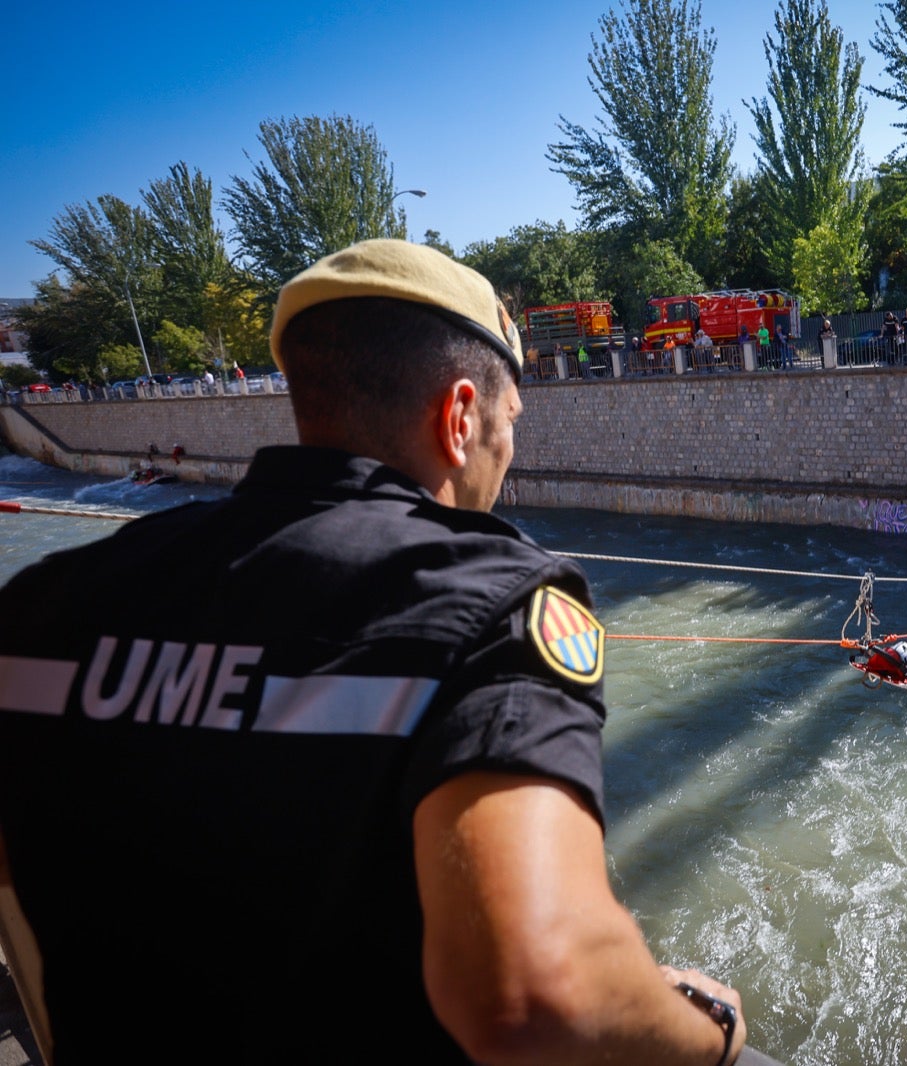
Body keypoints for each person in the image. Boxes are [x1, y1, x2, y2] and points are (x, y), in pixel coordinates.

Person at [0, 239, 754, 1065]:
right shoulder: (491, 598)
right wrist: (707, 1033)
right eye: (510, 425)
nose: (508, 453)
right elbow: (537, 993)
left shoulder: (51, 599)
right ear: (461, 418)